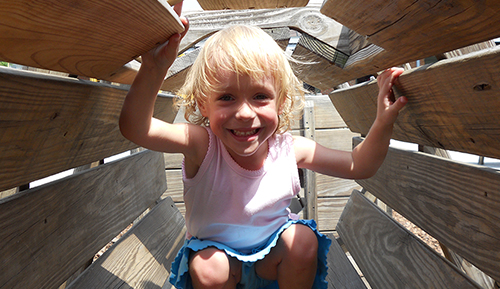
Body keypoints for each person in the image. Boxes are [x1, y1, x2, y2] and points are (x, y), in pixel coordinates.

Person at [119, 3, 407, 289]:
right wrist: (154, 66)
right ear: (202, 104)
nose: (245, 113)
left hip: (274, 266)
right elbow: (136, 128)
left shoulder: (289, 149)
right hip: (221, 268)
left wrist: (382, 122)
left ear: (281, 101)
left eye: (260, 96)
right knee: (209, 266)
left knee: (302, 239)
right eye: (227, 98)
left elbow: (360, 165)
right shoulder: (202, 145)